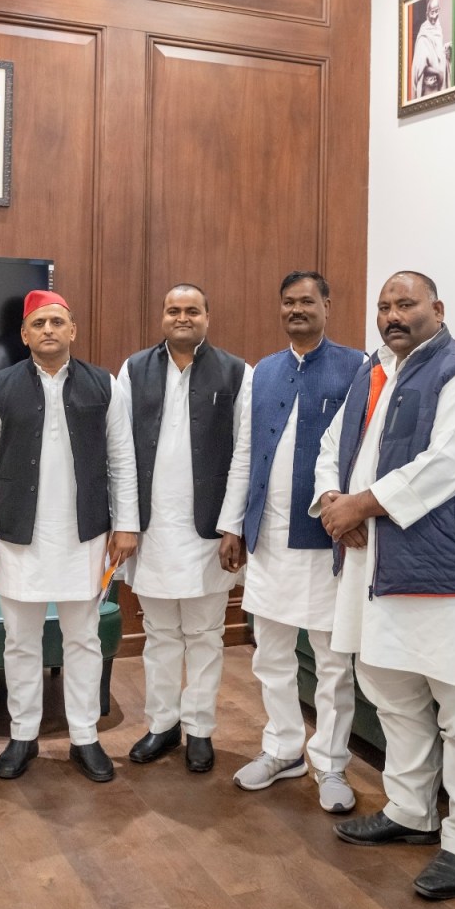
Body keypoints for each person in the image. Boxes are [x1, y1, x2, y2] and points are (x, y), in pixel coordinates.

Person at [311, 270, 455, 900]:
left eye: (406, 304)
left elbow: (446, 466)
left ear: (438, 309)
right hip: (376, 570)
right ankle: (411, 811)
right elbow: (332, 445)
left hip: (449, 575)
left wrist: (362, 505)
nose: (393, 316)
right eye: (384, 306)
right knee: (392, 695)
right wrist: (332, 500)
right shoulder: (373, 372)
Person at [0, 290, 139, 783]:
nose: (48, 330)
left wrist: (126, 524)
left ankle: (85, 736)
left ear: (72, 330)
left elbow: (122, 456)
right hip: (18, 535)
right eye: (39, 323)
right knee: (20, 641)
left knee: (83, 638)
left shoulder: (104, 384)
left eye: (57, 322)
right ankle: (23, 735)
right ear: (24, 334)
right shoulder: (1, 386)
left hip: (85, 535)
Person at [217, 272, 364, 811]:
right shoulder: (263, 372)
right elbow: (244, 452)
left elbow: (363, 450)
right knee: (271, 654)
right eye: (288, 302)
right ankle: (283, 749)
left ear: (327, 306)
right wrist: (233, 525)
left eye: (307, 301)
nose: (296, 309)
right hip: (269, 538)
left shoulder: (357, 367)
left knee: (331, 661)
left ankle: (331, 764)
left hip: (326, 540)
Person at [117, 284, 251, 773]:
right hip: (151, 530)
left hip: (208, 531)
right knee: (159, 634)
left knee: (205, 634)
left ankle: (200, 729)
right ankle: (162, 724)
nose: (182, 317)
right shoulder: (134, 370)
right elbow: (119, 450)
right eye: (173, 309)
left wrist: (232, 525)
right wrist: (124, 522)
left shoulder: (237, 372)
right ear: (162, 317)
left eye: (192, 310)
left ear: (207, 318)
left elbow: (244, 452)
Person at [411, 0, 451, 98]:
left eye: (436, 11)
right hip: (429, 88)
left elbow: (436, 56)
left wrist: (446, 53)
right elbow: (421, 67)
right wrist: (438, 73)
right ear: (427, 14)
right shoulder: (423, 35)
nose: (434, 16)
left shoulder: (438, 28)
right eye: (432, 12)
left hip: (439, 84)